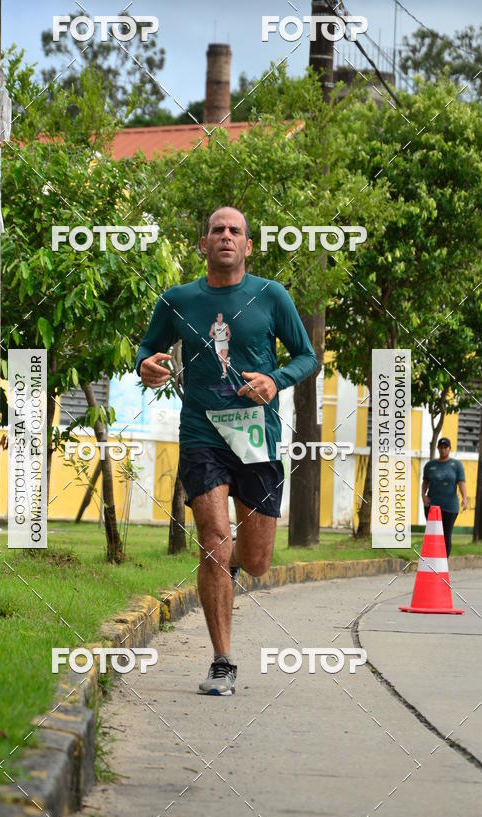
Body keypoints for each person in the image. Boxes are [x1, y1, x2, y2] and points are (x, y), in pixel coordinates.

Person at [135, 206, 318, 696]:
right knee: (215, 541)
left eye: (236, 231)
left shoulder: (270, 295)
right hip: (202, 434)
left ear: (248, 245)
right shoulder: (178, 299)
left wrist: (274, 380)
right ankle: (221, 660)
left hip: (257, 437)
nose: (225, 237)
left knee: (255, 560)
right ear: (203, 243)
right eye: (217, 230)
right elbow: (147, 350)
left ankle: (228, 570)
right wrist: (148, 365)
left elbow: (307, 356)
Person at [421, 437, 468, 557]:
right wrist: (423, 496)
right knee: (433, 534)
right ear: (438, 449)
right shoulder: (430, 465)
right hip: (432, 506)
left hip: (450, 506)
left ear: (449, 449)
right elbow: (425, 482)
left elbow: (461, 482)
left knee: (446, 534)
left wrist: (465, 498)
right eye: (440, 448)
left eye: (445, 448)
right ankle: (432, 560)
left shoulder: (456, 465)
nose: (443, 450)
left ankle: (443, 562)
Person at [209, 312, 231, 379]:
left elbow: (229, 333)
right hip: (217, 343)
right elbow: (210, 333)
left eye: (221, 317)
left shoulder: (225, 325)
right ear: (217, 318)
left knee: (222, 358)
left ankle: (224, 372)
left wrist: (228, 337)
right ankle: (227, 361)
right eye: (219, 317)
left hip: (224, 342)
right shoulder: (214, 325)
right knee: (220, 359)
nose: (220, 318)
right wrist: (213, 336)